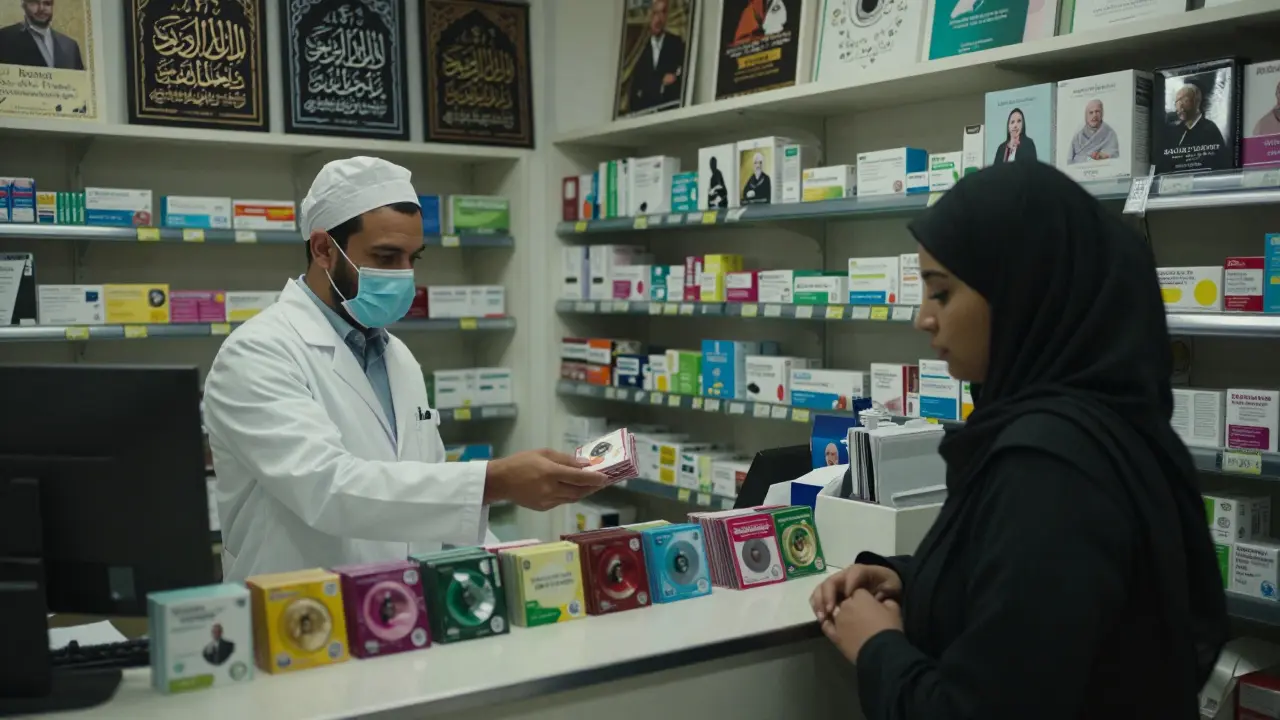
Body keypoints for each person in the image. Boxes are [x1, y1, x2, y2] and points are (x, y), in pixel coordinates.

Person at [809, 162, 1227, 719]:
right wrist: (914, 580)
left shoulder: (1051, 469)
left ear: (1022, 291)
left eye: (940, 292)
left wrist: (876, 645)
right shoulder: (1104, 424)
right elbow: (1038, 603)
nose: (922, 318)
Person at [204, 157, 608, 582]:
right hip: (298, 606)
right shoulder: (257, 353)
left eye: (412, 258)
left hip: (398, 604)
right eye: (385, 256)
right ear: (323, 249)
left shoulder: (398, 357)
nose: (404, 275)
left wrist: (522, 569)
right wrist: (495, 481)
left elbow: (426, 495)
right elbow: (327, 489)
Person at [626, 0, 685, 114]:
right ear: (648, 14)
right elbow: (637, 88)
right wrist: (660, 83)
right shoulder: (639, 48)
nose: (658, 19)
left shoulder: (676, 44)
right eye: (655, 13)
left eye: (662, 12)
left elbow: (679, 81)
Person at [0, 0, 84, 70]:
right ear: (23, 4)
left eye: (47, 3)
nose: (41, 8)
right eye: (34, 2)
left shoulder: (70, 46)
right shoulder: (4, 38)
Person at [1166, 83, 1228, 165]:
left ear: (1196, 101)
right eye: (1177, 102)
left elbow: (1221, 161)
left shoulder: (1210, 130)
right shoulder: (1174, 131)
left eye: (1184, 100)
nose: (1180, 106)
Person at [1068, 99, 1120, 163]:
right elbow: (1069, 159)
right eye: (1091, 112)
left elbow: (1114, 154)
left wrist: (1103, 156)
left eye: (1097, 111)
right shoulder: (1078, 137)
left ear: (1102, 113)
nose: (1094, 115)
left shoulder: (1110, 134)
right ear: (1086, 116)